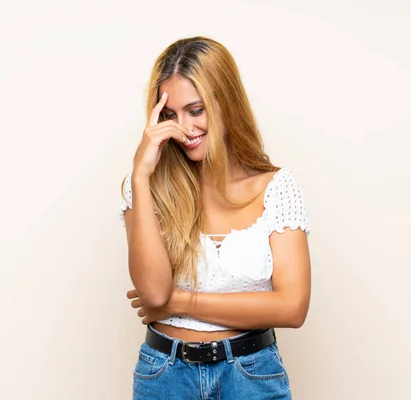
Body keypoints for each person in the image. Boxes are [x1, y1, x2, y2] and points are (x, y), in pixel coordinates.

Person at [119, 36, 312, 400]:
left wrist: (179, 303)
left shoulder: (277, 188)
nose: (184, 129)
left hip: (251, 375)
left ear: (226, 102)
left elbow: (292, 306)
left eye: (196, 110)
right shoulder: (146, 188)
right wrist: (141, 175)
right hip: (165, 376)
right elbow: (154, 291)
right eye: (170, 115)